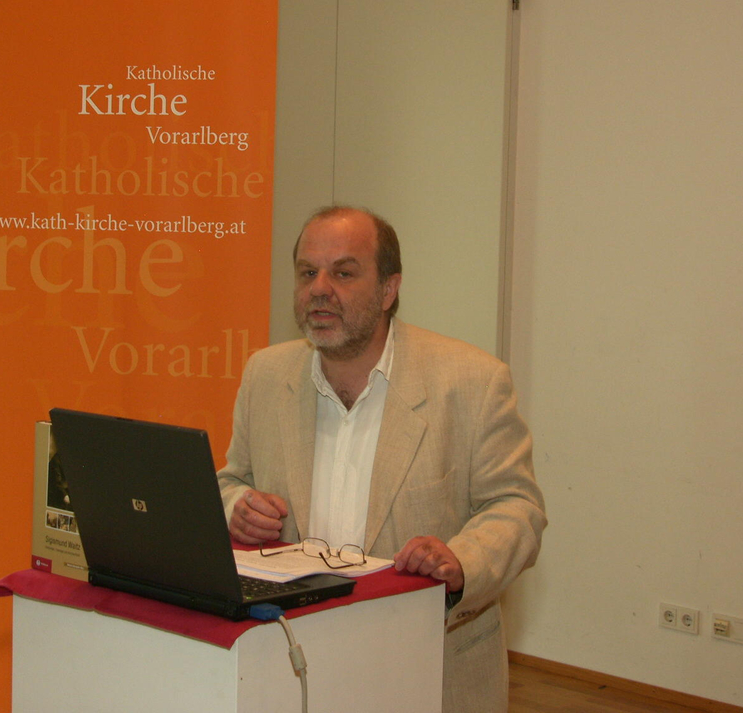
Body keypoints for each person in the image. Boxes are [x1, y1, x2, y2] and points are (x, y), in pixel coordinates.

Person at [217, 206, 546, 712]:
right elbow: (231, 480)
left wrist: (462, 559)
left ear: (389, 289)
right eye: (307, 272)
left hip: (426, 667)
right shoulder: (265, 374)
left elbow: (517, 507)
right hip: (293, 664)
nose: (319, 288)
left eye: (343, 273)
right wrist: (237, 505)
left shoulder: (472, 381)